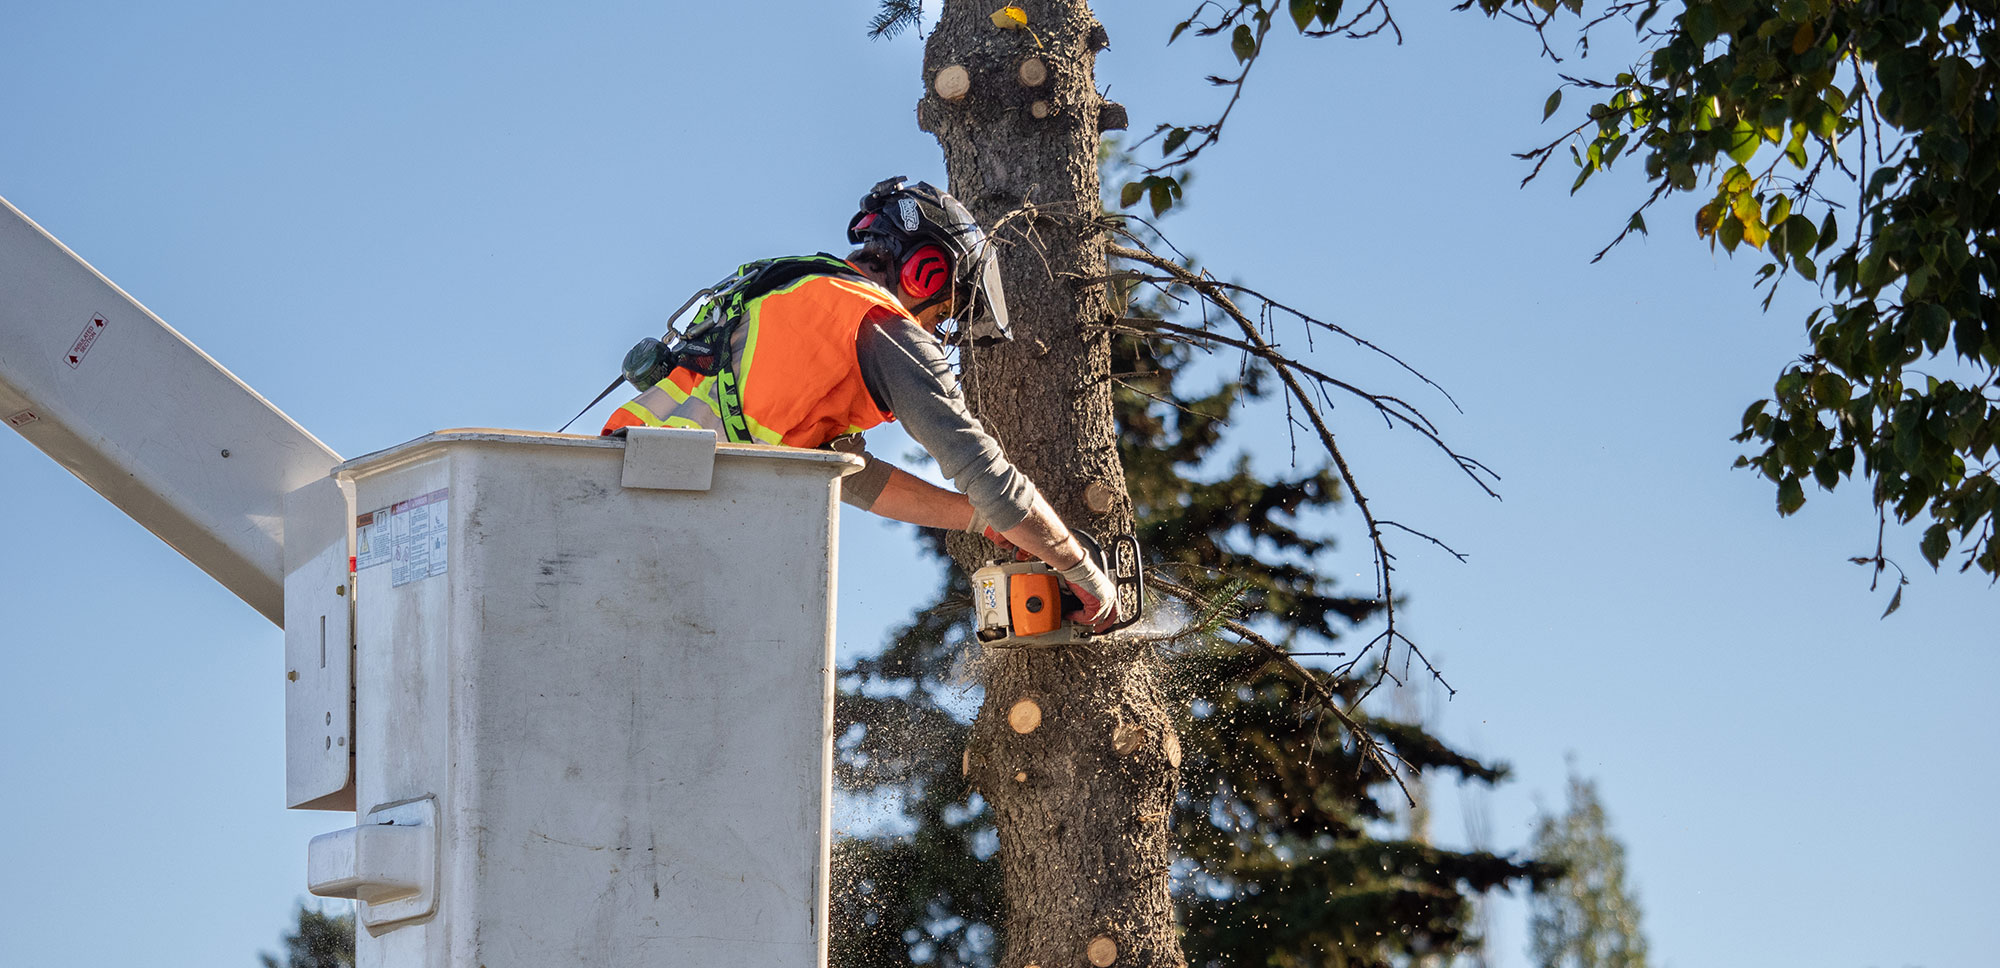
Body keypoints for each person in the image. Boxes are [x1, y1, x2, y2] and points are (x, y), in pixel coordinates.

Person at [602, 176, 1122, 628]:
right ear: (927, 274)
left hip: (614, 492)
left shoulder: (789, 300)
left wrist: (974, 520)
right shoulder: (879, 322)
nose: (936, 329)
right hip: (679, 519)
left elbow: (844, 473)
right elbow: (986, 472)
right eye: (943, 313)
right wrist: (1081, 569)